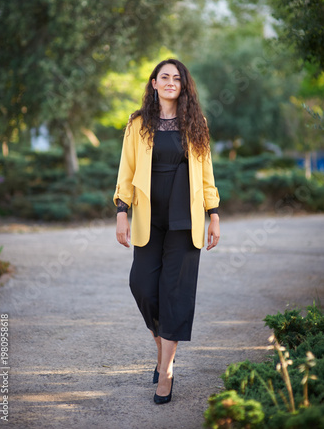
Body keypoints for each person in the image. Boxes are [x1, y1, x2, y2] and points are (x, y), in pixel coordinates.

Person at [113, 58, 220, 404]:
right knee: (142, 285)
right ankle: (163, 354)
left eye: (177, 78)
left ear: (183, 85)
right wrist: (121, 211)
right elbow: (126, 171)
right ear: (154, 83)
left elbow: (205, 176)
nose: (171, 82)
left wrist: (214, 213)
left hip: (185, 220)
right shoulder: (138, 124)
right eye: (165, 77)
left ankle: (167, 371)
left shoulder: (195, 124)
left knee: (174, 292)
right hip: (148, 218)